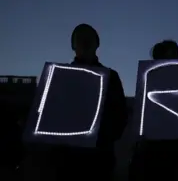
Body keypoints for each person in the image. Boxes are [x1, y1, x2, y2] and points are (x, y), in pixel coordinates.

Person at [48, 23, 128, 181]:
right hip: (67, 160)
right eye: (80, 38)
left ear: (97, 43)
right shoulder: (59, 77)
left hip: (99, 159)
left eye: (89, 37)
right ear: (73, 45)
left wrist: (100, 138)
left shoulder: (111, 77)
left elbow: (120, 116)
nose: (84, 41)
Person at [129, 40, 178, 181]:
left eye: (176, 54)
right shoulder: (150, 78)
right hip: (157, 147)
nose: (176, 59)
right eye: (171, 55)